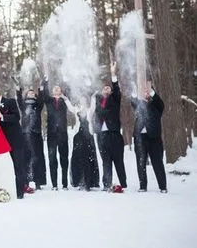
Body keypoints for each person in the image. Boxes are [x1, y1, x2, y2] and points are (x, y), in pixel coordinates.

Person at [0, 85, 27, 199]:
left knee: (18, 166)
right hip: (2, 143)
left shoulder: (10, 101)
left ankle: (20, 192)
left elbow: (17, 117)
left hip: (15, 140)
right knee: (7, 167)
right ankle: (8, 189)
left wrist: (2, 116)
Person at [93, 62, 127, 191]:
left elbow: (117, 89)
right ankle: (107, 183)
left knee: (118, 160)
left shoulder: (115, 99)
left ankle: (123, 183)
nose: (106, 90)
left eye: (108, 88)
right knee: (105, 161)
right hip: (101, 136)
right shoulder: (98, 100)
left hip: (114, 134)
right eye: (104, 88)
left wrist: (113, 74)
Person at [131, 82, 167, 193]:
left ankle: (163, 187)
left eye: (148, 92)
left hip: (154, 138)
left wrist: (151, 90)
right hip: (140, 138)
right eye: (144, 92)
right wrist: (133, 90)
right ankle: (143, 186)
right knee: (140, 163)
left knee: (157, 163)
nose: (146, 93)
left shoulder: (157, 105)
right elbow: (132, 101)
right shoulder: (139, 105)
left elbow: (160, 103)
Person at [39, 78, 69, 190]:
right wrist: (45, 81)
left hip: (62, 134)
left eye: (58, 88)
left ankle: (65, 184)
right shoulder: (49, 100)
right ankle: (54, 184)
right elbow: (44, 93)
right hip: (51, 134)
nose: (56, 88)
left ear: (61, 91)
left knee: (64, 158)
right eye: (54, 88)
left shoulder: (64, 100)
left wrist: (66, 77)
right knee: (52, 159)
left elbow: (68, 89)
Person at [16, 83, 46, 190]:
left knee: (37, 158)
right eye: (29, 92)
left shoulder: (38, 105)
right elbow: (18, 99)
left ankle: (38, 182)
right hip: (25, 134)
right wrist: (18, 90)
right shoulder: (23, 105)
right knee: (26, 159)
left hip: (36, 134)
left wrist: (42, 88)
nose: (31, 94)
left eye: (33, 93)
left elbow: (42, 99)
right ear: (26, 95)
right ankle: (26, 182)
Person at [67, 97, 100, 191]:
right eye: (81, 99)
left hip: (88, 137)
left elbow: (93, 106)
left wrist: (93, 97)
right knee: (78, 159)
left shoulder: (89, 110)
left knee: (89, 159)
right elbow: (69, 107)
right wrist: (65, 98)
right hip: (78, 137)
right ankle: (80, 181)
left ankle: (89, 181)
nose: (83, 101)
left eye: (84, 100)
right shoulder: (76, 109)